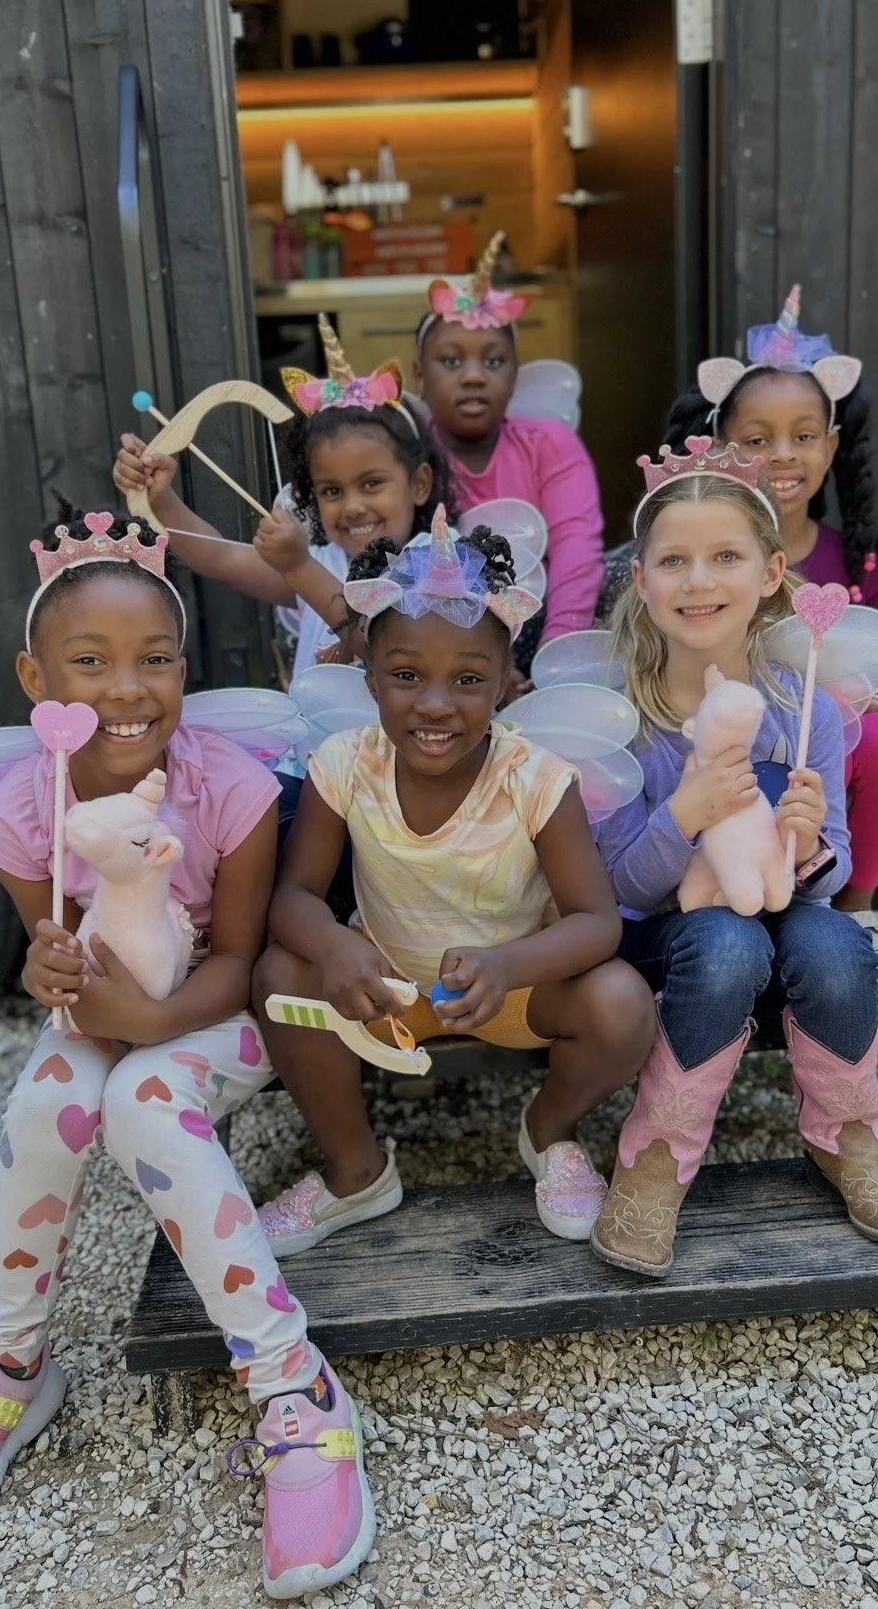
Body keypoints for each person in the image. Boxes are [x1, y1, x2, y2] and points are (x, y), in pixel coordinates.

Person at [0, 510, 373, 1600]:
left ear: (185, 670)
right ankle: (10, 1364)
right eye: (90, 662)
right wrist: (47, 976)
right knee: (45, 1107)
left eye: (156, 660)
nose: (128, 689)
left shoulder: (230, 789)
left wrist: (148, 1027)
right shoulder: (21, 813)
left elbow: (243, 961)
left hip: (215, 1013)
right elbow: (51, 951)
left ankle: (293, 1389)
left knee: (148, 1100)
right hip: (110, 1009)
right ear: (34, 675)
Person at [250, 508, 654, 1252]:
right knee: (280, 973)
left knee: (623, 1003)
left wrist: (510, 964)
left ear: (506, 682)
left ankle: (550, 1129)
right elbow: (295, 897)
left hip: (511, 989)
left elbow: (597, 921)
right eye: (406, 676)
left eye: (468, 679)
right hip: (383, 990)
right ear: (368, 677)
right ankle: (355, 1171)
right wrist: (336, 952)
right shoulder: (344, 765)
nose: (435, 704)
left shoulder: (535, 777)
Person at [590, 440, 878, 1278]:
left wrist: (814, 839)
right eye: (673, 560)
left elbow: (833, 872)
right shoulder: (623, 725)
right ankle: (657, 1157)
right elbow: (619, 891)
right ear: (640, 581)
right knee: (726, 941)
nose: (699, 581)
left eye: (725, 557)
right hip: (671, 942)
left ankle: (848, 1137)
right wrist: (684, 813)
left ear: (773, 570)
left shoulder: (805, 708)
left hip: (785, 918)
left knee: (834, 941)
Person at [661, 286, 878, 983]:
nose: (782, 455)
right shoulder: (696, 556)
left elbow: (866, 669)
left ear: (832, 446)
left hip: (812, 764)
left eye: (804, 436)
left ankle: (852, 909)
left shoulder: (849, 557)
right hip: (710, 744)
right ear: (719, 446)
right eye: (756, 439)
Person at [113, 314, 455, 680]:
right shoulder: (318, 560)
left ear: (419, 484)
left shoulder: (443, 564)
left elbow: (388, 651)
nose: (353, 507)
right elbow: (218, 556)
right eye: (332, 491)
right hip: (321, 740)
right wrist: (161, 497)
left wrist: (298, 569)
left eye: (371, 484)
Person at [414, 232, 605, 691]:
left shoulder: (550, 444)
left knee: (628, 571)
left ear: (516, 375)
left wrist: (554, 658)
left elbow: (576, 550)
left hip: (542, 624)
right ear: (421, 378)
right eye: (451, 361)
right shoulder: (409, 456)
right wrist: (484, 665)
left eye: (494, 361)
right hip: (440, 634)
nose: (475, 376)